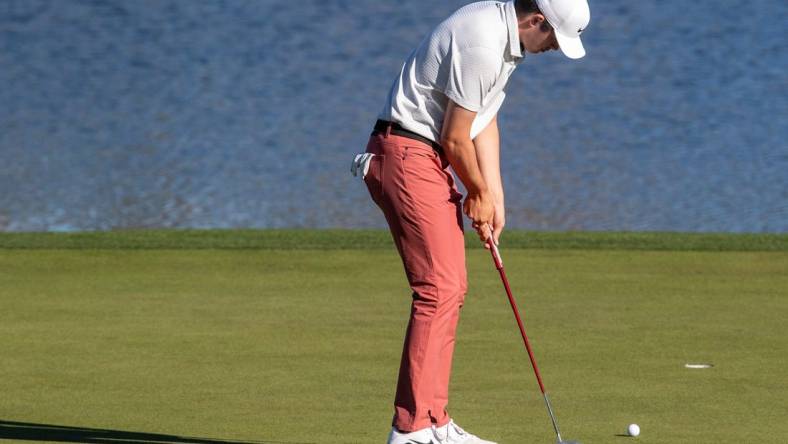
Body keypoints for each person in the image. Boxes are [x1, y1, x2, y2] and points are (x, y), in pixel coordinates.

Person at [357, 0, 590, 442]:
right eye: (554, 40)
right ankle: (411, 431)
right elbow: (454, 136)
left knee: (449, 288)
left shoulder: (506, 38)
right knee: (439, 288)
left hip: (424, 157)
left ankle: (433, 420)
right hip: (407, 154)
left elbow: (484, 119)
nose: (554, 49)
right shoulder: (483, 39)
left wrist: (494, 194)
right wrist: (476, 192)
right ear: (536, 20)